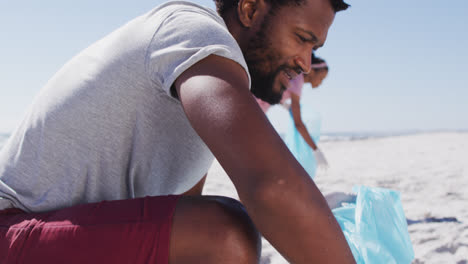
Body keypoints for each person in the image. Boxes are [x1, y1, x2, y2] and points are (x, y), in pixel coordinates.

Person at [0, 0, 355, 263]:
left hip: (62, 237)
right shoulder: (192, 32)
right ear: (249, 9)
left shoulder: (205, 94)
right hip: (12, 231)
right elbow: (270, 186)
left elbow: (181, 214)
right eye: (303, 39)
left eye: (315, 49)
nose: (306, 64)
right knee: (227, 232)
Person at [256, 54, 330, 178]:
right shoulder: (298, 80)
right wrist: (316, 150)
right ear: (312, 71)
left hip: (255, 109)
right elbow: (299, 124)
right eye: (321, 78)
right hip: (255, 111)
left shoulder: (293, 77)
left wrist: (283, 104)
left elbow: (272, 88)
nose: (320, 83)